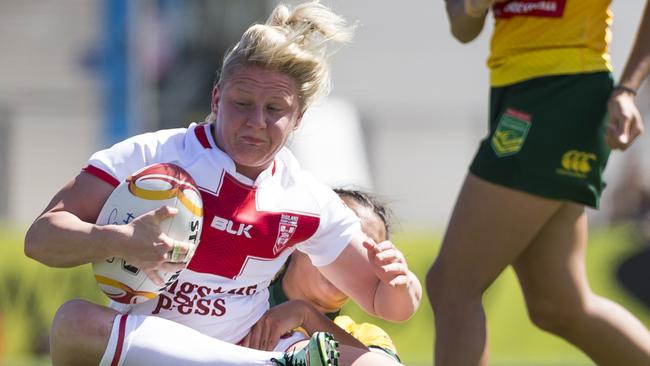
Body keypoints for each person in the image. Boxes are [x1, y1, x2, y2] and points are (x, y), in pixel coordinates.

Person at [23, 2, 422, 366]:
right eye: (242, 103)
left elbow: (385, 303)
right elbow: (40, 238)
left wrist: (401, 284)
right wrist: (116, 240)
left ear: (298, 118)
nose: (256, 122)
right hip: (148, 353)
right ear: (216, 99)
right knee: (75, 323)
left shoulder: (305, 199)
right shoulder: (150, 154)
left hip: (242, 350)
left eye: (275, 110)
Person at [426, 1, 650, 365]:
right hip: (514, 93)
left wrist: (628, 88)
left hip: (564, 92)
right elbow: (462, 28)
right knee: (558, 304)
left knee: (453, 284)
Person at [245, 189, 403, 363]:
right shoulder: (233, 303)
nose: (349, 263)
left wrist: (306, 315)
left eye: (366, 254)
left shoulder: (367, 337)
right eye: (341, 244)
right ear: (297, 241)